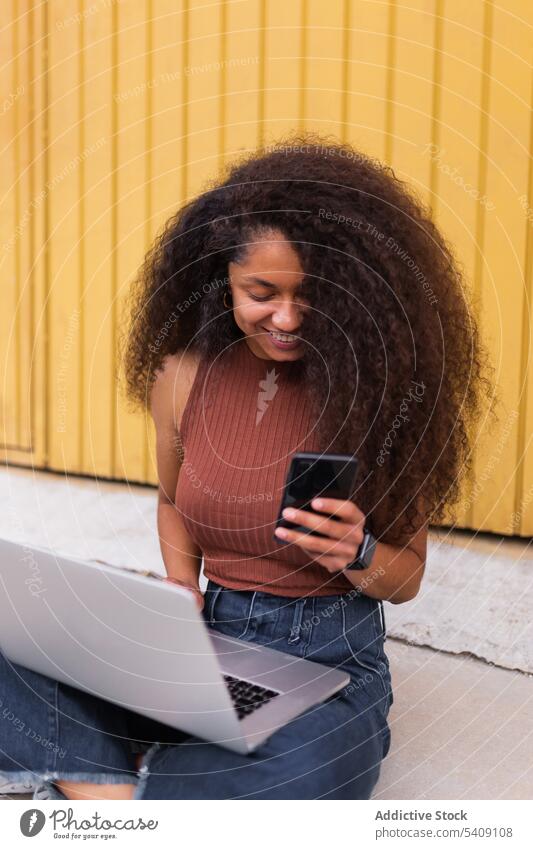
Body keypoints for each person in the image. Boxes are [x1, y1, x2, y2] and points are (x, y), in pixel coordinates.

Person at [0, 134, 492, 800]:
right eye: (260, 291)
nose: (286, 317)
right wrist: (179, 584)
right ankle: (152, 790)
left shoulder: (382, 395)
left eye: (312, 296)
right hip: (203, 644)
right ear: (222, 277)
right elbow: (173, 502)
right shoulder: (182, 377)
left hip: (327, 662)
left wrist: (358, 550)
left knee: (315, 765)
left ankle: (107, 784)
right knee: (17, 650)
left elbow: (403, 579)